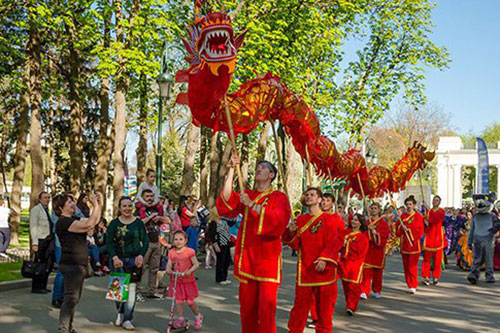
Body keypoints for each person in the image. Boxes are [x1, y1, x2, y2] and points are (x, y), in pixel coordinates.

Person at [216, 154, 291, 333]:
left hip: (267, 261)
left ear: (272, 175)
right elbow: (226, 203)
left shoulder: (278, 197)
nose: (259, 169)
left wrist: (252, 206)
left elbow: (278, 221)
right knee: (247, 309)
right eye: (258, 167)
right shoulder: (247, 193)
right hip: (247, 258)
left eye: (264, 167)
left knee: (266, 311)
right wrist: (231, 169)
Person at [284, 188, 341, 333]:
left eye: (312, 195)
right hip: (305, 269)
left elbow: (333, 241)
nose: (308, 197)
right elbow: (296, 245)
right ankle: (294, 330)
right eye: (307, 195)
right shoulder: (301, 219)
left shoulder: (329, 219)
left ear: (320, 199)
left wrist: (324, 259)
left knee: (324, 308)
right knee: (300, 305)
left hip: (324, 269)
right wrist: (290, 232)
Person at [55, 192, 103, 333]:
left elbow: (93, 222)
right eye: (70, 202)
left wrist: (98, 204)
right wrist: (94, 205)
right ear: (61, 208)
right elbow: (89, 223)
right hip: (71, 264)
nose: (73, 203)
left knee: (74, 299)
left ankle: (69, 327)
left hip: (78, 264)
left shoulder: (74, 219)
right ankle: (63, 329)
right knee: (70, 298)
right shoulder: (63, 222)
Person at [107, 196, 149, 330]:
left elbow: (146, 241)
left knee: (131, 290)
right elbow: (109, 242)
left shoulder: (138, 223)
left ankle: (128, 318)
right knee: (117, 290)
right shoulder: (114, 224)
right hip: (117, 260)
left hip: (133, 260)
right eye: (124, 206)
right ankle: (120, 312)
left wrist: (141, 255)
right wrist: (114, 257)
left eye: (130, 206)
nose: (127, 208)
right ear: (119, 208)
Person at [135, 188, 169, 299]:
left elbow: (168, 220)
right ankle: (135, 290)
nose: (150, 199)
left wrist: (159, 217)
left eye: (151, 196)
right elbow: (138, 222)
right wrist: (149, 217)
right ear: (143, 197)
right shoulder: (139, 208)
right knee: (141, 267)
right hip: (145, 242)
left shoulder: (157, 208)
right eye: (147, 196)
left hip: (156, 240)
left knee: (154, 268)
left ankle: (152, 290)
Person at [166, 230, 203, 330]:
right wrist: (168, 269)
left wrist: (189, 271)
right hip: (177, 281)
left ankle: (197, 315)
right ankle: (181, 318)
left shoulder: (189, 251)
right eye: (176, 239)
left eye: (181, 239)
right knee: (178, 301)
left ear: (185, 240)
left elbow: (196, 264)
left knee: (190, 302)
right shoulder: (172, 252)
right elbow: (169, 263)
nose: (178, 241)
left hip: (188, 281)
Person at [340, 214, 369, 316]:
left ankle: (352, 306)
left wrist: (347, 243)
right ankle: (349, 303)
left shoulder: (363, 236)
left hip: (355, 263)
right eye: (352, 219)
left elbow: (361, 251)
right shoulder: (346, 233)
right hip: (344, 262)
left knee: (354, 285)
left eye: (356, 220)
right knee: (346, 285)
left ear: (360, 223)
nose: (353, 221)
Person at [361, 202, 390, 299]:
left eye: (375, 208)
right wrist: (368, 230)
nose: (373, 210)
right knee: (366, 271)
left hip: (378, 250)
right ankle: (364, 290)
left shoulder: (383, 223)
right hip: (368, 249)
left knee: (378, 272)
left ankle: (377, 290)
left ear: (379, 210)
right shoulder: (367, 222)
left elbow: (385, 235)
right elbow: (361, 235)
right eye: (372, 208)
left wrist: (376, 234)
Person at [396, 195, 424, 294]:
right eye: (407, 204)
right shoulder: (402, 216)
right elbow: (397, 232)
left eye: (410, 204)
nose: (408, 206)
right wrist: (400, 227)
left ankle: (413, 284)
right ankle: (409, 284)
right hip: (404, 244)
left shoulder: (418, 216)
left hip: (414, 244)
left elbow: (420, 231)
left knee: (413, 266)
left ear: (414, 205)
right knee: (406, 266)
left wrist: (409, 230)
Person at [29, 191, 54, 294]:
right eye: (45, 198)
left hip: (48, 239)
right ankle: (36, 286)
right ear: (40, 199)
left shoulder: (47, 210)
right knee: (39, 263)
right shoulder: (36, 210)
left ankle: (43, 285)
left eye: (48, 198)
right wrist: (34, 243)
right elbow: (33, 226)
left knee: (47, 263)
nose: (47, 199)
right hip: (40, 239)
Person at [421, 196, 446, 286]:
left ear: (439, 202)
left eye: (437, 200)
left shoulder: (441, 211)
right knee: (426, 259)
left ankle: (436, 277)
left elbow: (436, 219)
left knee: (437, 260)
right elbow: (427, 221)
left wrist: (428, 209)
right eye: (434, 200)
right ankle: (426, 276)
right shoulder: (428, 211)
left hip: (438, 237)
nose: (434, 202)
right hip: (429, 236)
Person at [207, 210, 232, 284]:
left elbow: (232, 223)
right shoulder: (213, 223)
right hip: (219, 244)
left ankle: (224, 277)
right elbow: (211, 235)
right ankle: (220, 278)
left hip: (227, 243)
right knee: (220, 261)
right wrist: (215, 245)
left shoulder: (224, 221)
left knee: (227, 261)